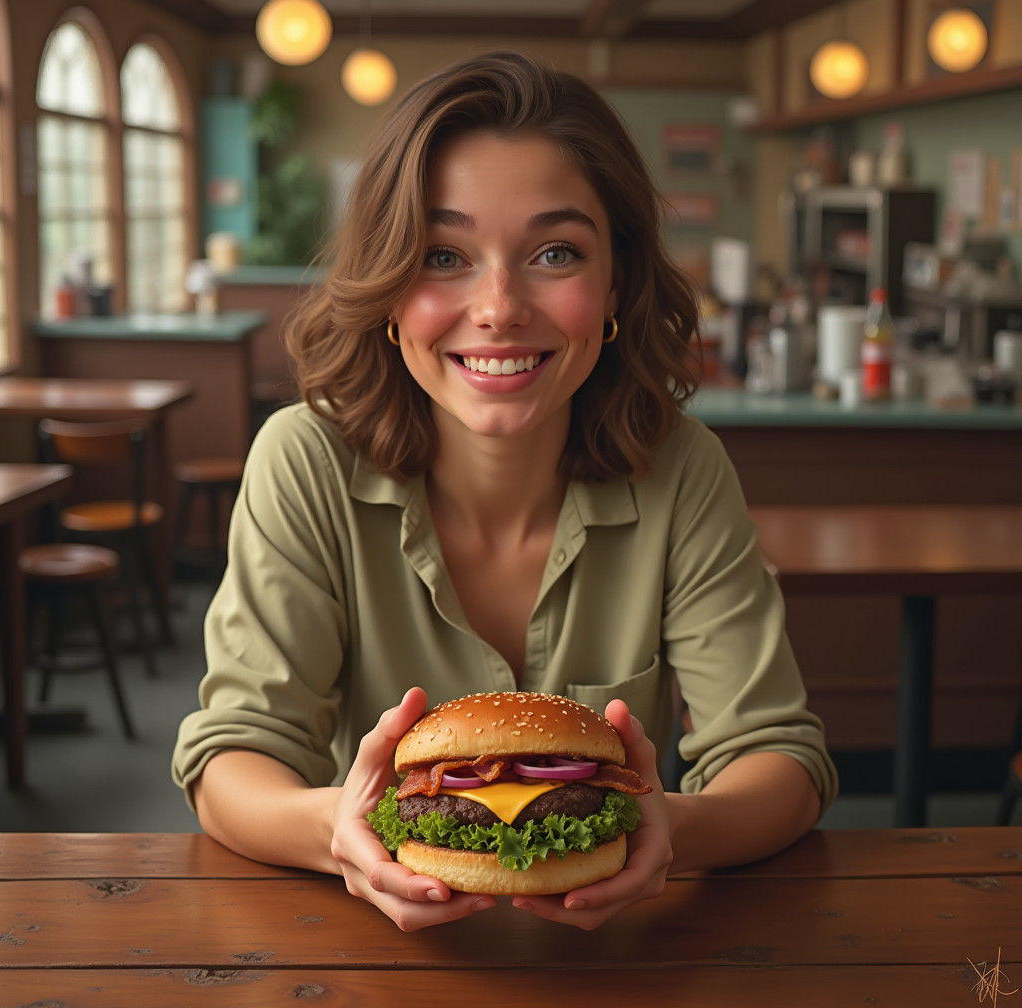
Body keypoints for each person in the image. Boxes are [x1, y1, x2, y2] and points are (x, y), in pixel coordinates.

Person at [172, 51, 837, 932]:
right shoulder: (305, 460)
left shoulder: (682, 469)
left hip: (629, 972)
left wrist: (667, 829)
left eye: (554, 253)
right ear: (388, 289)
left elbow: (779, 761)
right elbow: (232, 761)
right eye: (443, 254)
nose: (497, 307)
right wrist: (338, 828)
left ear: (616, 284)